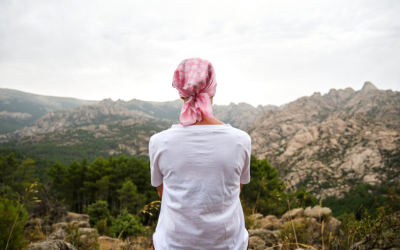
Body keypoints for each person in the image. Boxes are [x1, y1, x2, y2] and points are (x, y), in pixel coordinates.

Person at [149, 58, 251, 250]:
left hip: (172, 245)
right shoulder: (241, 140)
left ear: (180, 93)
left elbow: (163, 193)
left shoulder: (159, 142)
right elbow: (235, 190)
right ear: (213, 89)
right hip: (229, 245)